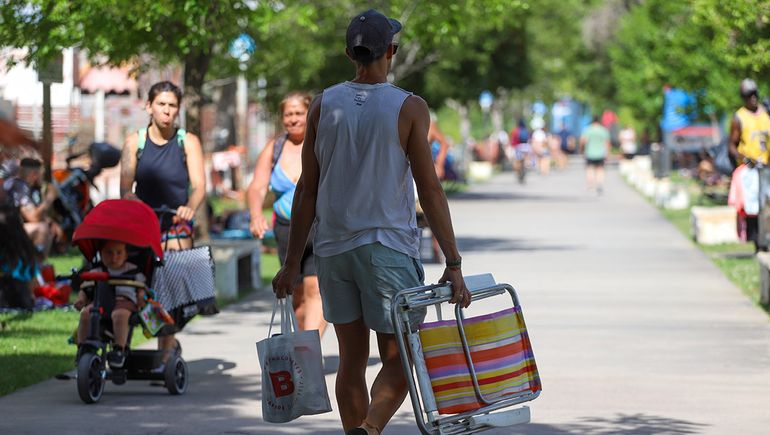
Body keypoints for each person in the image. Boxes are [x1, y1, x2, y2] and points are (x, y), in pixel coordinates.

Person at [272, 9, 470, 435]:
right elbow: (430, 190)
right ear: (391, 52)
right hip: (387, 250)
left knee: (351, 361)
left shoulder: (323, 104)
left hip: (332, 251)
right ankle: (371, 428)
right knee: (401, 359)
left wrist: (291, 263)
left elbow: (307, 189)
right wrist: (453, 262)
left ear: (349, 54)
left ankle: (358, 431)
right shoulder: (409, 107)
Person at [119, 81, 205, 370]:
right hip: (144, 222)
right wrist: (131, 200)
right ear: (149, 106)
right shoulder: (135, 142)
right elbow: (125, 189)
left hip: (175, 222)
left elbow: (199, 185)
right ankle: (127, 341)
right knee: (134, 281)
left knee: (169, 279)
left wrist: (189, 207)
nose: (167, 111)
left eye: (172, 106)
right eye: (161, 104)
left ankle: (165, 351)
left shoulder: (187, 141)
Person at [246, 92, 326, 336]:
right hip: (287, 231)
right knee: (298, 296)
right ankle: (304, 345)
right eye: (288, 114)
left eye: (299, 113)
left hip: (319, 228)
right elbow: (257, 186)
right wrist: (256, 214)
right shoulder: (276, 147)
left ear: (309, 114)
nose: (293, 119)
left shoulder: (321, 143)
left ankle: (311, 350)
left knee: (316, 290)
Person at [74, 240, 146, 368]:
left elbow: (141, 288)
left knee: (120, 315)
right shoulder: (97, 270)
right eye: (109, 253)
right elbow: (85, 288)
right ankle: (82, 347)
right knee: (85, 314)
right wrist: (81, 299)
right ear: (101, 254)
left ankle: (119, 349)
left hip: (124, 301)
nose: (114, 257)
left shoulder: (133, 270)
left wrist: (141, 298)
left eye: (119, 253)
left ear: (126, 254)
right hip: (100, 300)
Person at [728, 78, 770, 247]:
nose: (752, 98)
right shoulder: (739, 117)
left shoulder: (766, 113)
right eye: (747, 95)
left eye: (754, 94)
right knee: (753, 206)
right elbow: (731, 145)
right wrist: (743, 159)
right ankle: (756, 242)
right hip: (751, 168)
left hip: (767, 166)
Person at [2, 157, 63, 257]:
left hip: (8, 228)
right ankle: (36, 269)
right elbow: (33, 217)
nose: (42, 179)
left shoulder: (14, 183)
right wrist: (50, 197)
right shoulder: (20, 186)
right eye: (41, 175)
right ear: (34, 175)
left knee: (45, 226)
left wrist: (50, 221)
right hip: (6, 231)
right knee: (42, 230)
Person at [580, 116, 611, 194]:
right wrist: (607, 153)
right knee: (600, 169)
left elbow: (583, 141)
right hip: (600, 153)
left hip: (590, 152)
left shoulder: (588, 130)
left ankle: (590, 184)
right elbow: (607, 143)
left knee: (590, 169)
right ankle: (599, 183)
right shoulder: (603, 130)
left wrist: (582, 150)